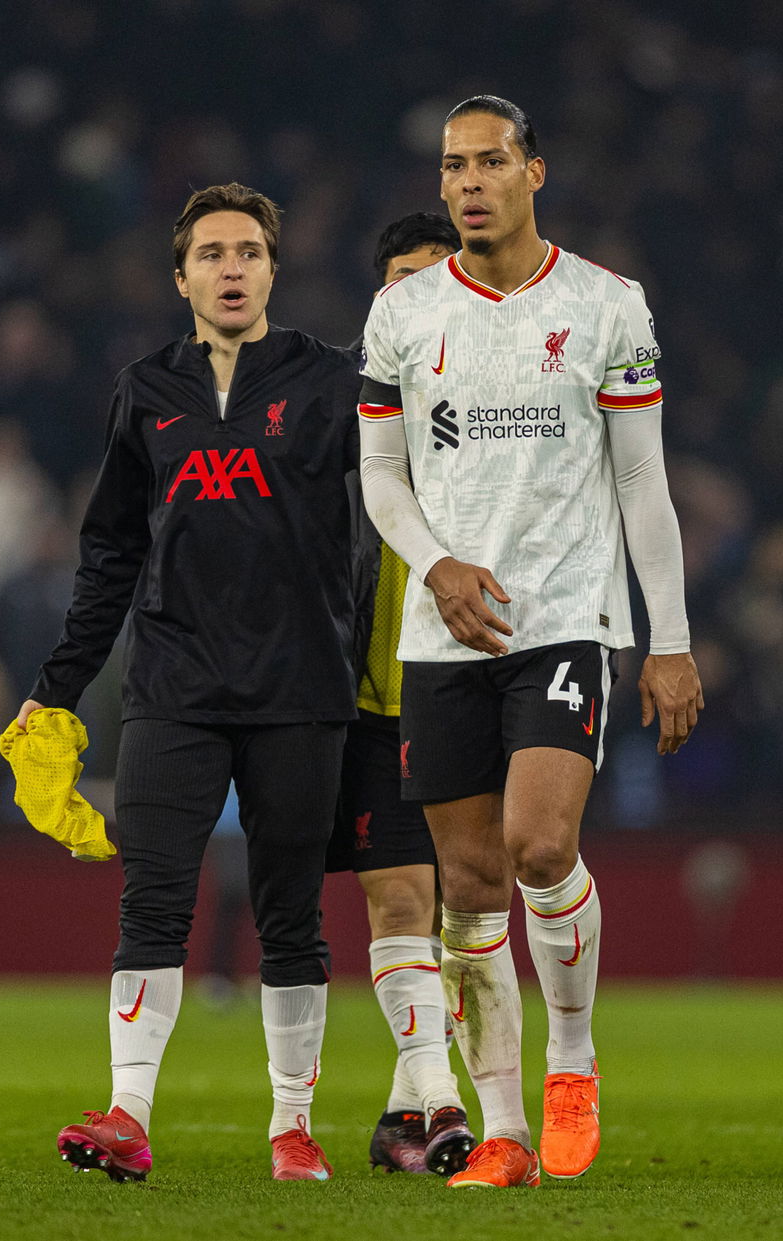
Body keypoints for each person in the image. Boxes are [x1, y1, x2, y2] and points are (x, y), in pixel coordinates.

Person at [358, 95, 703, 1190]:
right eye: (454, 164)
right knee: (467, 887)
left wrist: (670, 637)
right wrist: (438, 564)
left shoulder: (607, 305)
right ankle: (501, 1129)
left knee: (540, 848)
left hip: (562, 614)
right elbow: (379, 474)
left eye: (489, 161)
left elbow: (643, 479)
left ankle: (573, 1059)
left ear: (534, 171)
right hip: (442, 629)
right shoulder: (405, 314)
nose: (468, 181)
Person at [16, 182, 361, 1184]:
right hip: (173, 686)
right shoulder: (145, 391)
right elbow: (111, 553)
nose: (232, 267)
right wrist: (60, 685)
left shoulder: (330, 380)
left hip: (302, 686)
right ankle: (128, 1113)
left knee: (289, 909)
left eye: (249, 250)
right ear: (181, 277)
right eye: (211, 252)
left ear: (272, 270)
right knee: (153, 898)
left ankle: (292, 1129)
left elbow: (408, 478)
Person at [334, 210, 477, 1176]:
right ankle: (442, 1104)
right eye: (399, 279)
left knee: (465, 915)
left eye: (434, 276)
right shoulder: (338, 406)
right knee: (398, 905)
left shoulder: (507, 403)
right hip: (368, 701)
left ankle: (400, 1114)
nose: (414, 293)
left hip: (470, 690)